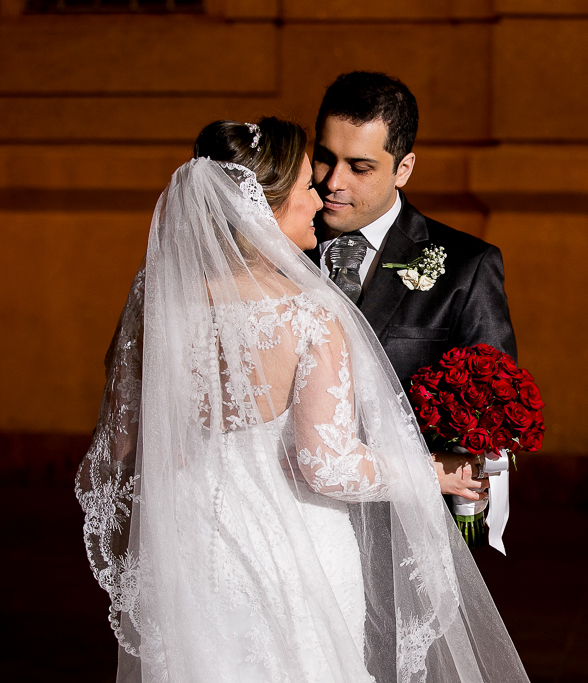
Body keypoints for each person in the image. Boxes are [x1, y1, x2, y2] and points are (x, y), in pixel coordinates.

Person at [75, 117, 529, 683]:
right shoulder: (308, 315)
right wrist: (431, 472)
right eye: (304, 188)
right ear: (263, 208)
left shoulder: (157, 302)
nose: (319, 196)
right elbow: (327, 466)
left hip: (190, 543)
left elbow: (124, 445)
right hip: (295, 555)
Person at [306, 72, 517, 503]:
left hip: (402, 523)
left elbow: (490, 415)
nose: (332, 182)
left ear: (403, 169)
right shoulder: (277, 246)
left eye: (359, 167)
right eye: (325, 158)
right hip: (292, 518)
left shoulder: (467, 267)